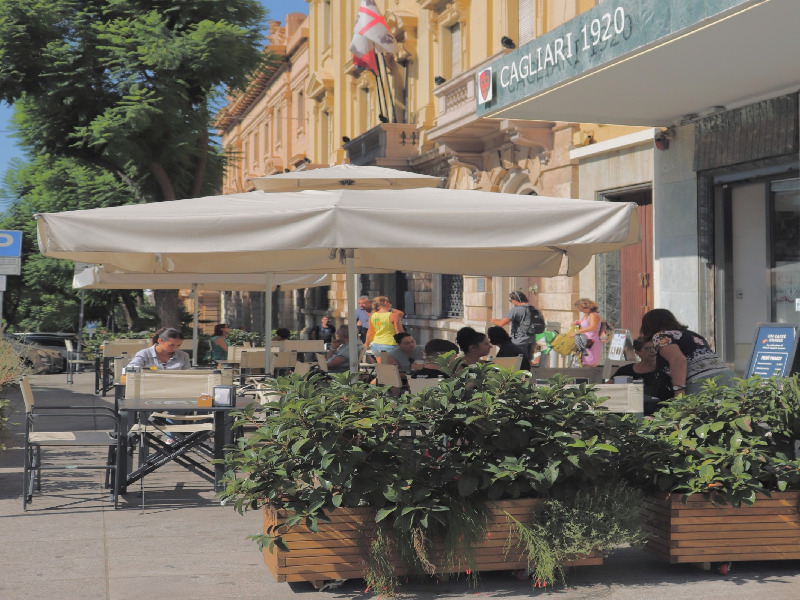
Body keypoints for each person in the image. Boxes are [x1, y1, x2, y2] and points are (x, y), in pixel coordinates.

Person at [640, 308, 734, 396]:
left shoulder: (660, 336)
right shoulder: (691, 334)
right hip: (727, 377)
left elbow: (678, 360)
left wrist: (679, 390)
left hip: (702, 382)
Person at [611, 336, 674, 414]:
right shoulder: (625, 371)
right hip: (629, 415)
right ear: (637, 352)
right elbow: (608, 389)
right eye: (647, 348)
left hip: (661, 415)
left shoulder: (667, 371)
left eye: (655, 347)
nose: (652, 351)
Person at [490, 291, 542, 359]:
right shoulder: (533, 309)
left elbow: (501, 324)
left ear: (514, 299)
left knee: (516, 361)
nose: (512, 302)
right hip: (531, 340)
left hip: (519, 341)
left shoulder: (516, 310)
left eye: (511, 300)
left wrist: (494, 320)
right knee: (528, 361)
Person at [569, 298, 602, 367]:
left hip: (592, 341)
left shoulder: (593, 315)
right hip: (585, 341)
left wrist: (578, 332)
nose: (580, 310)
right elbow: (586, 324)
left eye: (580, 308)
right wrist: (578, 322)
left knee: (590, 362)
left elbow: (593, 327)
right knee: (585, 362)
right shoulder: (587, 315)